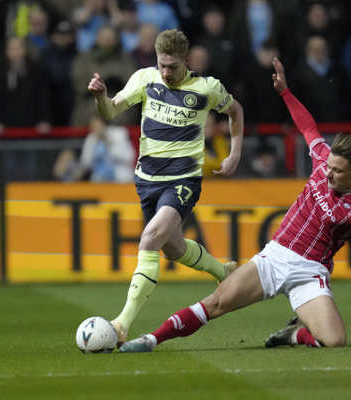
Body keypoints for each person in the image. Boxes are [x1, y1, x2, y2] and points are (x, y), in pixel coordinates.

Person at [118, 57, 351, 353]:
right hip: (276, 258)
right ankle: (150, 340)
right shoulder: (322, 160)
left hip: (311, 272)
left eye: (338, 170)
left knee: (335, 340)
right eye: (329, 166)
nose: (329, 173)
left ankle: (294, 335)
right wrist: (285, 92)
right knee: (215, 304)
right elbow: (307, 126)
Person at [87, 28, 244, 344]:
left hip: (183, 180)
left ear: (186, 60)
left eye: (173, 65)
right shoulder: (145, 78)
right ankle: (223, 272)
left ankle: (121, 324)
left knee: (150, 239)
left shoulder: (206, 88)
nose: (167, 72)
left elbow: (235, 111)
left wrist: (234, 153)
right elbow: (111, 110)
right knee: (172, 247)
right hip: (146, 181)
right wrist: (100, 97)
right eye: (162, 65)